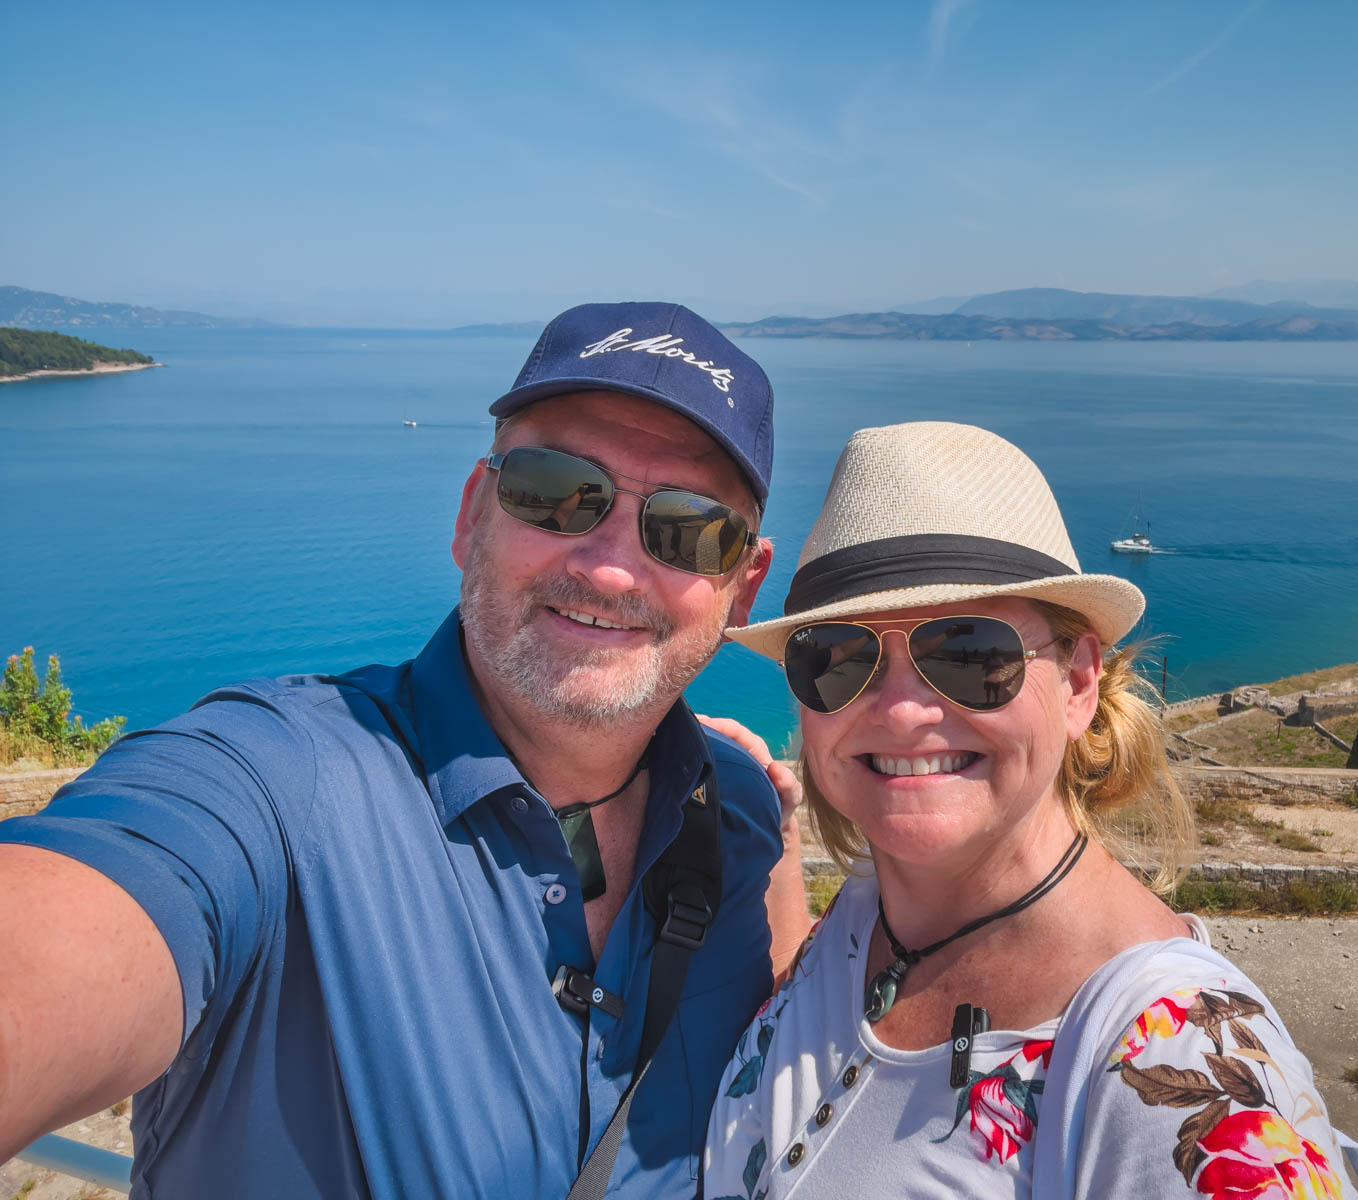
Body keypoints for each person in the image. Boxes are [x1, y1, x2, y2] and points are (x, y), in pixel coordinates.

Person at [0, 302, 812, 1199]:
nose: (610, 566)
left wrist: (764, 815)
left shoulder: (733, 809)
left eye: (689, 529)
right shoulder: (275, 786)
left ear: (744, 588)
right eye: (555, 489)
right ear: (472, 515)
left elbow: (786, 1022)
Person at [702, 422, 1358, 1199]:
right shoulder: (872, 915)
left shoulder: (1185, 1071)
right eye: (838, 658)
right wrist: (773, 831)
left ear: (1078, 684)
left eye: (967, 653)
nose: (898, 712)